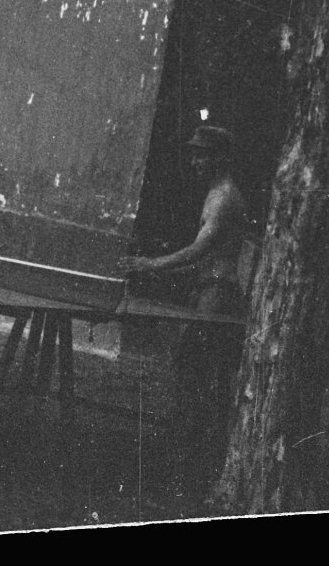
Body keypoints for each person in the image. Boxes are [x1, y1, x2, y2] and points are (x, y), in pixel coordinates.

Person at [122, 124, 250, 506]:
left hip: (217, 297)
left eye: (201, 155)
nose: (194, 161)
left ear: (219, 158)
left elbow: (198, 251)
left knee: (196, 384)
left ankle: (187, 480)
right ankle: (186, 474)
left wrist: (149, 264)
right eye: (193, 154)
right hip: (208, 292)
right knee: (192, 381)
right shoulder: (214, 193)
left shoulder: (224, 198)